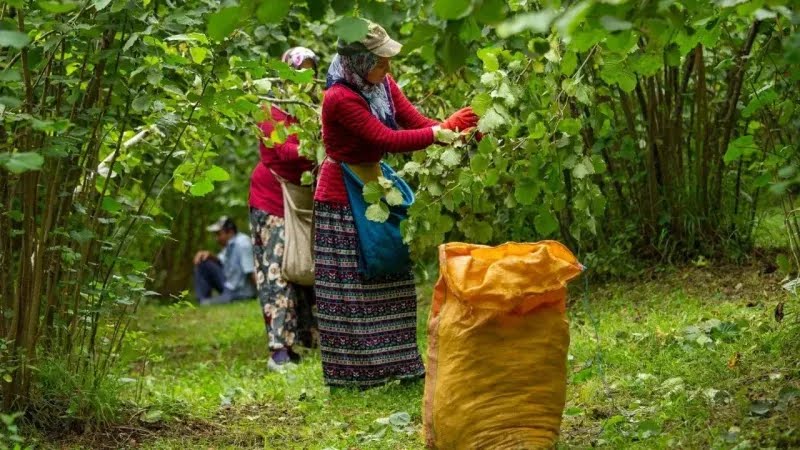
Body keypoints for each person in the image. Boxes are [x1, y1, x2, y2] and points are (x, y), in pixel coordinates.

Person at [313, 21, 479, 388]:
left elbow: (417, 124)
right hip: (343, 194)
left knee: (391, 270)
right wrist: (439, 132)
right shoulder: (339, 97)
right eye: (381, 61)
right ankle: (356, 376)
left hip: (376, 186)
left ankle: (400, 365)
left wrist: (456, 132)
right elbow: (386, 137)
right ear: (358, 60)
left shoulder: (382, 86)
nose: (388, 68)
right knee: (354, 283)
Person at [249, 47, 320, 371]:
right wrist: (319, 145)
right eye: (298, 71)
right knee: (277, 271)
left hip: (304, 202)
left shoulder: (312, 110)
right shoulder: (270, 111)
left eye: (310, 71)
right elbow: (286, 151)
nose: (303, 78)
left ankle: (310, 338)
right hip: (272, 200)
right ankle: (279, 350)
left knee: (306, 267)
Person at [193, 216, 257, 305]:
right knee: (203, 263)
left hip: (239, 292)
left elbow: (251, 272)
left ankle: (204, 302)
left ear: (230, 232)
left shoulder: (243, 244)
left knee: (206, 304)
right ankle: (202, 300)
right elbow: (221, 261)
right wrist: (209, 255)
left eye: (219, 234)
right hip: (229, 285)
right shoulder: (230, 245)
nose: (216, 238)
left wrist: (263, 294)